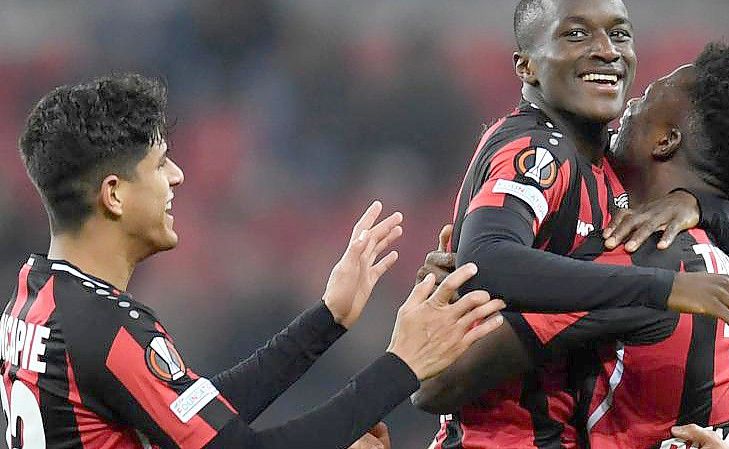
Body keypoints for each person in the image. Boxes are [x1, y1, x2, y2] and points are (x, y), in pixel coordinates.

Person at [0, 73, 507, 449]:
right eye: (160, 164)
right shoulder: (107, 328)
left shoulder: (33, 296)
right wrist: (402, 367)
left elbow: (196, 412)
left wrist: (327, 320)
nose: (177, 177)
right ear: (114, 195)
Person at [411, 0, 729, 447]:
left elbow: (435, 386)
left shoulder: (641, 247)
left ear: (665, 140)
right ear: (527, 67)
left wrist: (696, 212)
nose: (609, 53)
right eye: (576, 34)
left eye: (644, 100)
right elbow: (487, 257)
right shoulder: (541, 151)